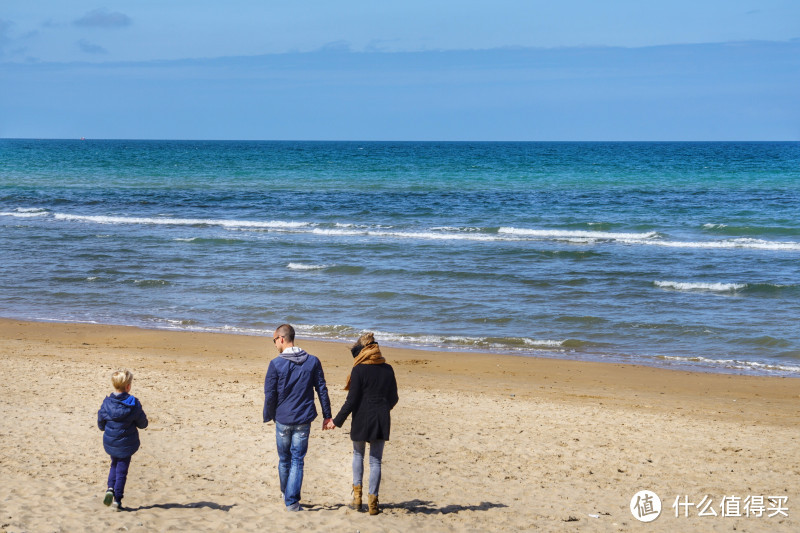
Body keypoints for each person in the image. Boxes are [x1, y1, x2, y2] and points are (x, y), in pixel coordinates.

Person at [263, 324, 333, 511]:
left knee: (288, 459)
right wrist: (327, 415)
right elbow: (322, 390)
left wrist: (269, 415)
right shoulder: (310, 362)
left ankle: (290, 497)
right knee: (295, 460)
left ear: (282, 339)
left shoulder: (279, 363)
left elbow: (270, 395)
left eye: (275, 340)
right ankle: (290, 498)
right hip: (297, 418)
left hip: (288, 419)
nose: (275, 344)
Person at [327, 332, 398, 515]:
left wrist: (336, 421)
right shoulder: (388, 369)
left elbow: (351, 401)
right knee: (375, 461)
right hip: (381, 418)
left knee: (358, 455)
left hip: (361, 418)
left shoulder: (358, 370)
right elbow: (394, 398)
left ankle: (357, 499)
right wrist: (382, 409)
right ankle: (373, 504)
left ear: (363, 350)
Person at [97, 369, 149, 512]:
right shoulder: (133, 404)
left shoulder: (107, 403)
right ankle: (117, 500)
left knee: (114, 465)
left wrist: (105, 427)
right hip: (126, 443)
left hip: (112, 442)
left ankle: (110, 488)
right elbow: (143, 423)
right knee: (121, 470)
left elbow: (101, 423)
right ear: (128, 386)